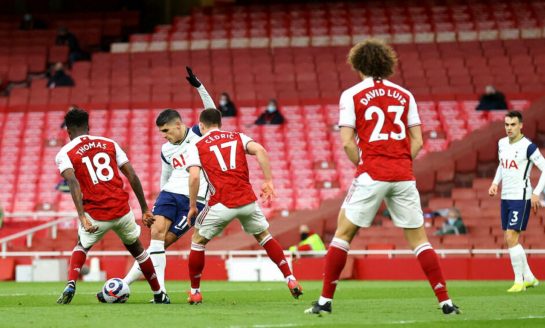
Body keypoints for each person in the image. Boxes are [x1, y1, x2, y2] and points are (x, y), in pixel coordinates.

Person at [305, 39, 460, 316]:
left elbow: (348, 143)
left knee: (343, 234)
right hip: (402, 174)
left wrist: (365, 163)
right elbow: (418, 140)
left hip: (372, 171)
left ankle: (325, 302)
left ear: (357, 64)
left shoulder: (351, 95)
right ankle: (446, 302)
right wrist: (399, 160)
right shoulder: (405, 95)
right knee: (420, 240)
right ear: (387, 63)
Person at [97, 67, 213, 300]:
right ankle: (160, 293)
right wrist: (154, 204)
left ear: (179, 125)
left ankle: (124, 284)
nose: (164, 135)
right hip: (169, 195)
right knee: (156, 237)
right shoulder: (166, 149)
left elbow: (211, 112)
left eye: (166, 130)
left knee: (162, 245)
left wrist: (199, 87)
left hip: (195, 199)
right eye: (161, 132)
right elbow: (165, 175)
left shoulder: (198, 135)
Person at [185, 108, 303, 304]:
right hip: (247, 201)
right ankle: (290, 279)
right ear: (220, 124)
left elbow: (195, 176)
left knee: (197, 241)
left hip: (220, 203)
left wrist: (192, 206)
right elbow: (260, 150)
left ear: (201, 125)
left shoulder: (196, 145)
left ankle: (195, 292)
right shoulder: (237, 136)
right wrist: (268, 181)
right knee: (264, 237)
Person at [55, 108, 169, 304]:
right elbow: (131, 175)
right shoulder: (109, 143)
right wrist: (144, 209)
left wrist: (82, 216)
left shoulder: (64, 153)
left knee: (81, 246)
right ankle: (159, 293)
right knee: (139, 251)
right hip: (122, 211)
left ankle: (71, 283)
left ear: (68, 131)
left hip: (96, 214)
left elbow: (72, 183)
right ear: (88, 127)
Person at [488, 110, 545, 292]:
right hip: (506, 197)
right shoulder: (502, 143)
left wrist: (536, 192)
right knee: (510, 238)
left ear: (521, 125)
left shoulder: (528, 147)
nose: (509, 128)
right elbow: (502, 164)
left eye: (513, 124)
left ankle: (519, 281)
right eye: (506, 124)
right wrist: (495, 183)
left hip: (521, 197)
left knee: (511, 236)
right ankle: (529, 278)